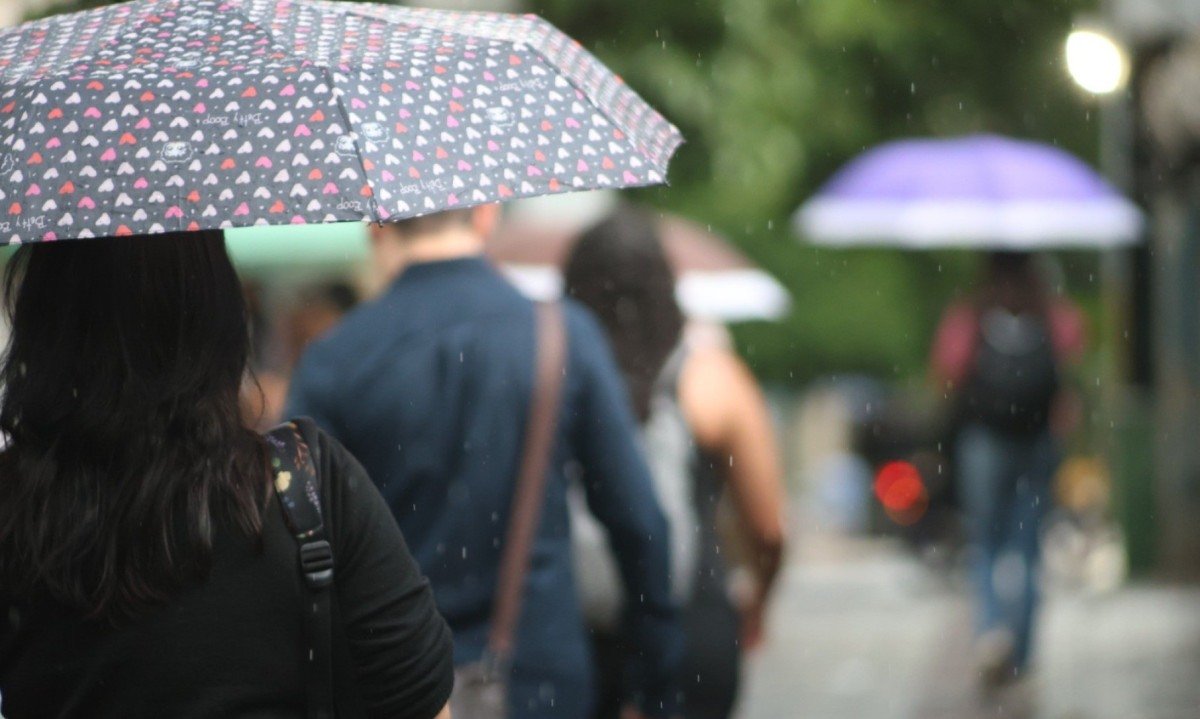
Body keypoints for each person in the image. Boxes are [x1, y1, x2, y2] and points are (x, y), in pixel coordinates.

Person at [0, 232, 454, 719]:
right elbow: (422, 705)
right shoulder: (306, 484)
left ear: (44, 317)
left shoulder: (14, 506)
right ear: (217, 313)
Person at [286, 207, 683, 719]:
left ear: (376, 227)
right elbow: (640, 524)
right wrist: (655, 684)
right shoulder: (563, 334)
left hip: (393, 685)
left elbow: (295, 534)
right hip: (538, 681)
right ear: (486, 214)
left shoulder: (334, 358)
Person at [564, 208, 787, 719]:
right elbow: (768, 528)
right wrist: (759, 601)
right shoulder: (713, 379)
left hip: (578, 630)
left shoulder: (553, 375)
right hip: (693, 624)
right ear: (666, 283)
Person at [931, 251, 1085, 686]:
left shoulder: (971, 315)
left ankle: (992, 631)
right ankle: (1023, 649)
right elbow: (1072, 360)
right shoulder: (1052, 314)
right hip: (1038, 441)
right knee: (1029, 547)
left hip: (984, 439)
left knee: (985, 543)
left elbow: (946, 370)